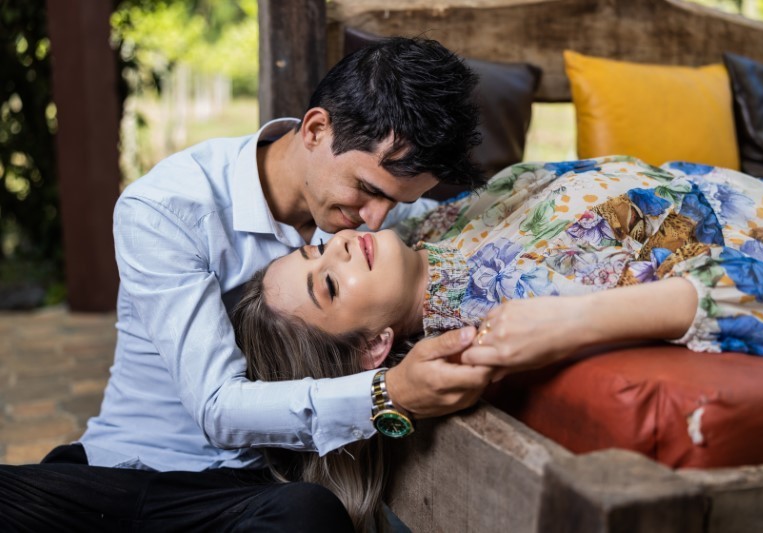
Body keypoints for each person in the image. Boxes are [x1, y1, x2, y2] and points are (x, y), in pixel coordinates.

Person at [0, 37, 493, 532]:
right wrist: (388, 392)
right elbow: (218, 407)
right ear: (316, 130)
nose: (377, 219)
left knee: (309, 513)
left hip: (243, 497)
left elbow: (493, 220)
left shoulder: (374, 222)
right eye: (367, 190)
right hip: (121, 475)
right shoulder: (168, 209)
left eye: (397, 202)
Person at [232, 156, 763, 523]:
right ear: (373, 348)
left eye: (317, 249)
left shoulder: (426, 229)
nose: (340, 246)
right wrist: (577, 321)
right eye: (329, 285)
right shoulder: (507, 310)